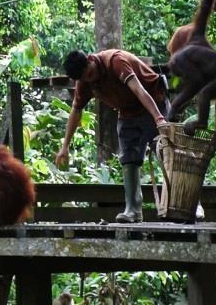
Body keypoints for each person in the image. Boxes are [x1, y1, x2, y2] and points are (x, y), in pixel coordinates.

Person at [55, 49, 168, 223]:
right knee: (129, 158)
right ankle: (133, 209)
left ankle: (187, 204)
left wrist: (159, 118)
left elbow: (139, 91)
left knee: (167, 153)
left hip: (152, 102)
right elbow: (76, 111)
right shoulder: (84, 82)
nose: (90, 79)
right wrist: (65, 146)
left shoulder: (115, 62)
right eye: (85, 78)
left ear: (91, 60)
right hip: (127, 112)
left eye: (91, 73)